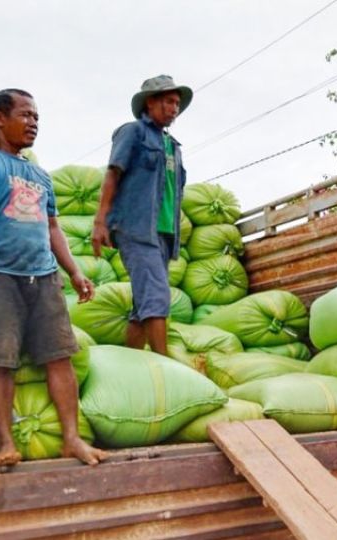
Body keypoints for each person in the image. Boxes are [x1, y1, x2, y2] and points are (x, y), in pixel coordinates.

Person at [0, 89, 108, 467]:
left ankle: (71, 439)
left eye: (37, 117)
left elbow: (52, 227)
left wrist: (74, 272)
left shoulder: (39, 173)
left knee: (60, 358)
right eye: (25, 115)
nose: (33, 123)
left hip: (43, 275)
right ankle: (6, 443)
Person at [92, 75, 191, 355]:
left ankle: (132, 361)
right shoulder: (133, 132)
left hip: (164, 234)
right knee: (157, 298)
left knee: (142, 305)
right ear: (151, 102)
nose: (175, 108)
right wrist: (100, 221)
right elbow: (113, 172)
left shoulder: (174, 146)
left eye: (177, 104)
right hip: (136, 228)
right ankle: (165, 365)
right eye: (169, 102)